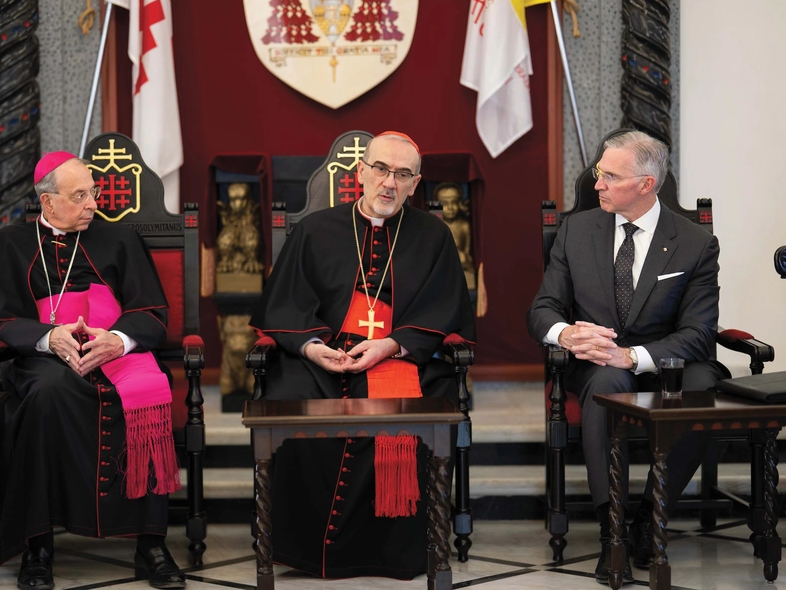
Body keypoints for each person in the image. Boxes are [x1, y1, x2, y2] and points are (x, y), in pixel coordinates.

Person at [252, 131, 476, 579]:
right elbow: (285, 303)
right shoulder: (316, 230)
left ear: (416, 184)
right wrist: (314, 348)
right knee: (292, 400)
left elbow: (446, 306)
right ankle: (302, 548)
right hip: (322, 355)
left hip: (399, 354)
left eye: (402, 174)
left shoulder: (433, 235)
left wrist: (392, 344)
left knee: (422, 408)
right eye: (380, 169)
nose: (389, 183)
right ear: (360, 173)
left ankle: (394, 551)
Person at [527, 130, 727, 585]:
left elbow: (699, 333)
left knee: (704, 389)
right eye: (598, 172)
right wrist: (569, 333)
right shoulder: (576, 231)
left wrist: (634, 355)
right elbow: (542, 310)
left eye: (609, 176)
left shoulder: (695, 243)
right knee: (604, 386)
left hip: (666, 360)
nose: (596, 184)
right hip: (596, 363)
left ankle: (649, 517)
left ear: (646, 185)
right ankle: (611, 530)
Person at [0, 153, 186, 589]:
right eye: (80, 196)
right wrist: (48, 337)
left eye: (92, 192)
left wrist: (119, 340)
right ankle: (37, 547)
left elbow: (152, 313)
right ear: (48, 202)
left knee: (153, 386)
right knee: (46, 393)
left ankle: (151, 543)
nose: (93, 203)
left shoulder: (120, 240)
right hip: (42, 362)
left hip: (117, 356)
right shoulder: (7, 244)